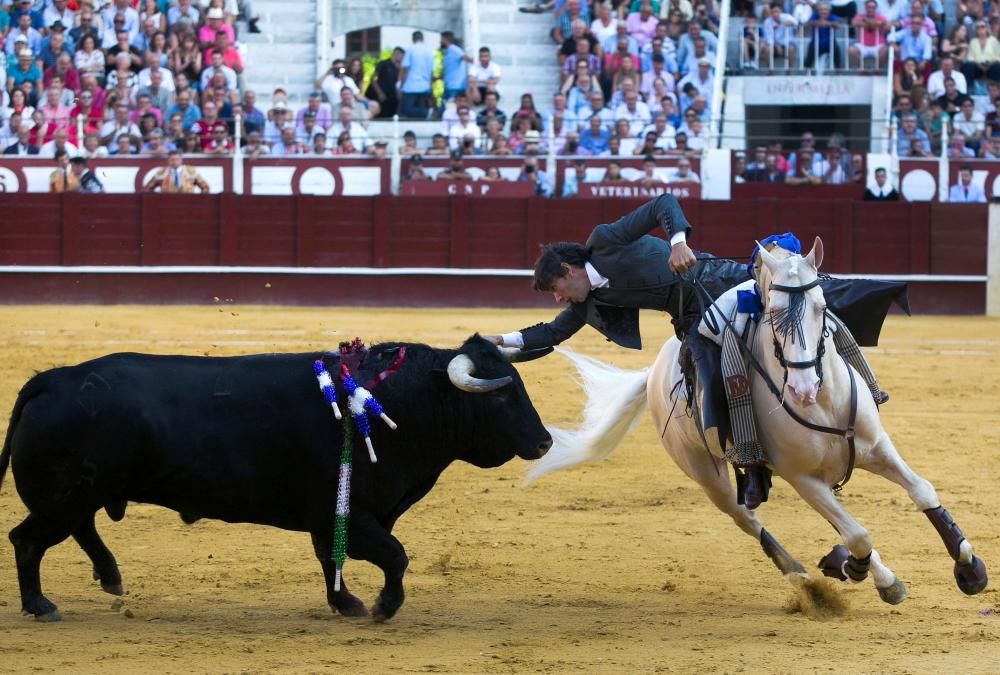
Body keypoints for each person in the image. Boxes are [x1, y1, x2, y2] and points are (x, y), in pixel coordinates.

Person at [481, 197, 897, 510]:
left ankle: (870, 388)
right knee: (706, 378)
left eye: (556, 288)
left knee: (815, 310)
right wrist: (503, 341)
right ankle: (749, 463)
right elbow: (551, 334)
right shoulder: (585, 303)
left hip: (721, 282)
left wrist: (678, 243)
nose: (557, 298)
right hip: (694, 322)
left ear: (568, 271)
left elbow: (662, 204)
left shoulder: (604, 243)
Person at [397, 31, 435, 119]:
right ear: (422, 38)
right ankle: (426, 113)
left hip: (411, 86)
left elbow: (405, 68)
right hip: (425, 86)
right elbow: (431, 71)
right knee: (419, 111)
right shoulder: (429, 52)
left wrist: (400, 84)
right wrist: (430, 86)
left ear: (413, 39)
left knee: (405, 109)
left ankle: (427, 112)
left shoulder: (411, 50)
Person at [143, 150, 209, 193]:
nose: (174, 162)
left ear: (181, 160)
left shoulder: (190, 171)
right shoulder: (161, 172)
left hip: (188, 202)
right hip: (167, 203)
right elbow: (147, 189)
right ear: (168, 160)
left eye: (177, 159)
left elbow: (205, 187)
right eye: (172, 159)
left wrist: (198, 200)